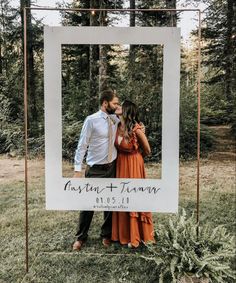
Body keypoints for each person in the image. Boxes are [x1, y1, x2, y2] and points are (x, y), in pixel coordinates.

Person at [72, 89, 120, 251]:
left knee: (110, 203)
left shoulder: (116, 119)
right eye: (115, 103)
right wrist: (77, 170)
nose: (117, 106)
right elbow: (82, 145)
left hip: (112, 166)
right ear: (105, 103)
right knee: (88, 204)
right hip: (95, 169)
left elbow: (132, 123)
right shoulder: (91, 120)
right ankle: (81, 237)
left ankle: (106, 234)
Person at [112, 100, 155, 248]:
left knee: (134, 197)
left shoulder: (136, 129)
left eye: (120, 106)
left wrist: (135, 156)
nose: (117, 107)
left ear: (126, 111)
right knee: (122, 198)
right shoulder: (117, 126)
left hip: (134, 165)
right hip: (121, 164)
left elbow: (148, 151)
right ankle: (123, 234)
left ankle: (136, 236)